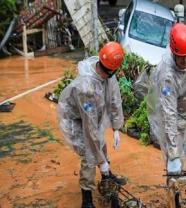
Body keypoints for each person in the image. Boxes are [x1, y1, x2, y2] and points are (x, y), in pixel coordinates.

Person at [57, 42, 125, 208]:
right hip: (75, 119)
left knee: (100, 143)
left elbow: (115, 99)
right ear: (109, 68)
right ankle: (86, 198)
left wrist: (116, 127)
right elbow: (90, 128)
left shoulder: (109, 72)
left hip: (92, 116)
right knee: (90, 152)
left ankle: (106, 177)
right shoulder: (85, 87)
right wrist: (101, 162)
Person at [147, 23, 186, 175]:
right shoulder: (167, 75)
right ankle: (174, 196)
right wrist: (174, 153)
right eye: (181, 58)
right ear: (173, 53)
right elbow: (169, 113)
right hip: (177, 120)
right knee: (175, 169)